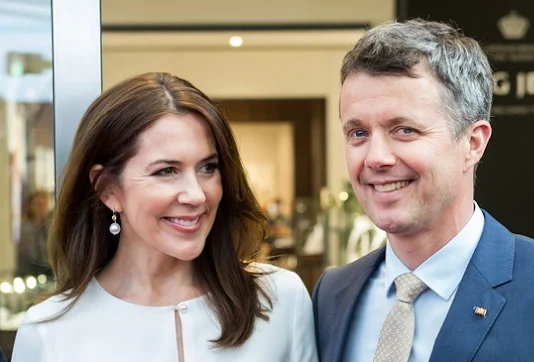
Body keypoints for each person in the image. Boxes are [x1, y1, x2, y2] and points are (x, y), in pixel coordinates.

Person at [313, 18, 534, 362]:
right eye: (358, 133)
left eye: (404, 130)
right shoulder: (332, 294)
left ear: (473, 143)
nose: (376, 158)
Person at [12, 72, 318, 362]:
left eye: (207, 167)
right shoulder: (48, 334)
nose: (197, 195)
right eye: (166, 171)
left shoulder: (281, 300)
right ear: (107, 189)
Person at [16, 190, 53, 278]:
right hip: (29, 272)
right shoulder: (26, 227)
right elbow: (28, 253)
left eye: (43, 205)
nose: (41, 208)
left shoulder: (51, 225)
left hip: (49, 272)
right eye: (38, 205)